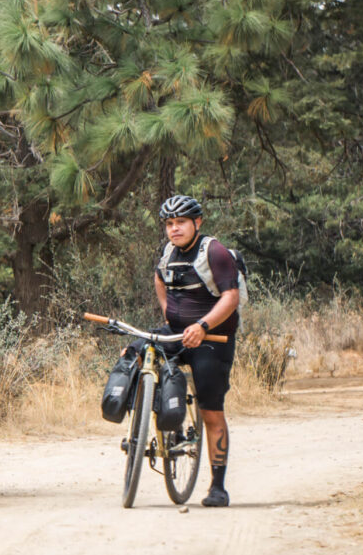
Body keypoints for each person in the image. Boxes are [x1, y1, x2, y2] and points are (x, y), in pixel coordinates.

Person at [153, 195, 240, 507]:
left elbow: (231, 297)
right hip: (177, 333)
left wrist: (202, 325)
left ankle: (218, 487)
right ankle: (145, 431)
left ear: (197, 223)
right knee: (137, 353)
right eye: (169, 224)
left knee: (210, 409)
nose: (174, 229)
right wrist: (168, 313)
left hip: (212, 339)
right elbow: (159, 279)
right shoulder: (168, 252)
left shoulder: (213, 252)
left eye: (180, 223)